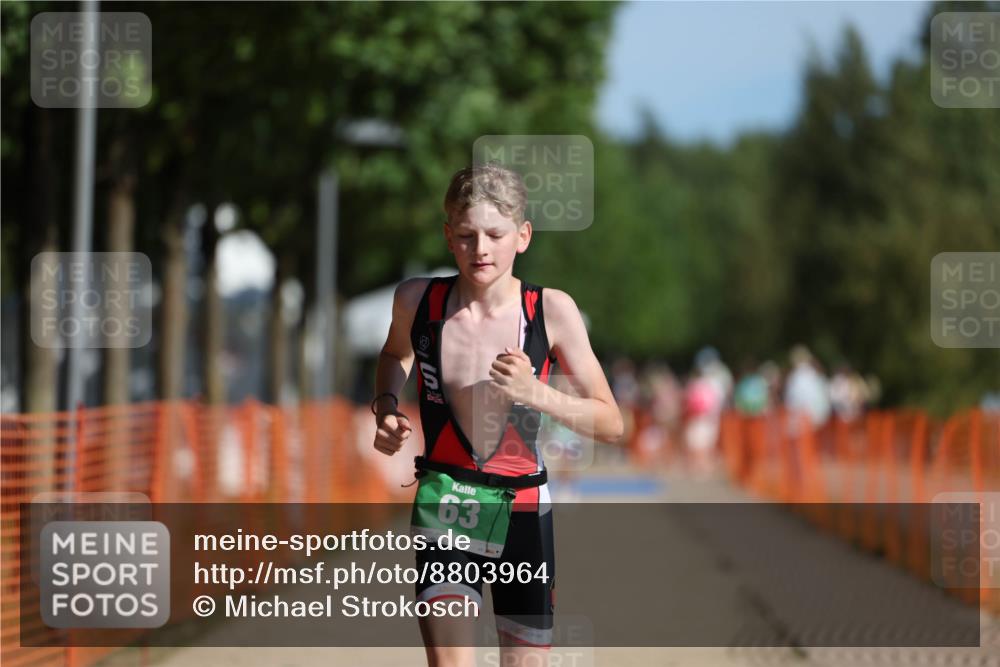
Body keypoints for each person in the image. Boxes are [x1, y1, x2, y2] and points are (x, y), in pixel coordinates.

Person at [371, 163, 624, 667]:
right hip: (446, 495)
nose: (480, 249)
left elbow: (612, 423)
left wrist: (536, 392)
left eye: (494, 234)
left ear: (523, 236)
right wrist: (386, 405)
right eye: (466, 235)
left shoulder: (551, 311)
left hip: (523, 505)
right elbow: (394, 355)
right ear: (448, 236)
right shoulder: (417, 301)